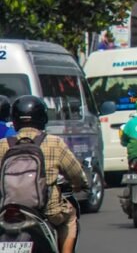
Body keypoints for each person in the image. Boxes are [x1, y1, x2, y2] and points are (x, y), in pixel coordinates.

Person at [0, 96, 89, 253]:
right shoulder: (54, 143)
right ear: (43, 118)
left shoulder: (3, 145)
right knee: (70, 218)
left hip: (7, 211)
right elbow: (75, 173)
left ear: (14, 120)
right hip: (48, 211)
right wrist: (80, 185)